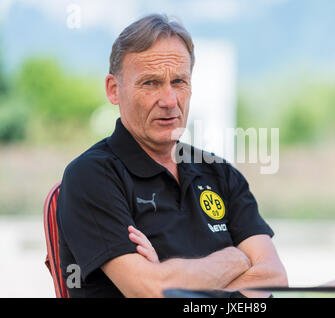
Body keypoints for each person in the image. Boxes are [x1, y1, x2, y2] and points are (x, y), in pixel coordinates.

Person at [57, 14, 288, 298]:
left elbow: (274, 278)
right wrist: (235, 258)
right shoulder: (92, 176)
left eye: (179, 81)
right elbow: (151, 291)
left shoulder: (221, 173)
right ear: (114, 90)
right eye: (150, 83)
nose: (169, 101)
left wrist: (173, 278)